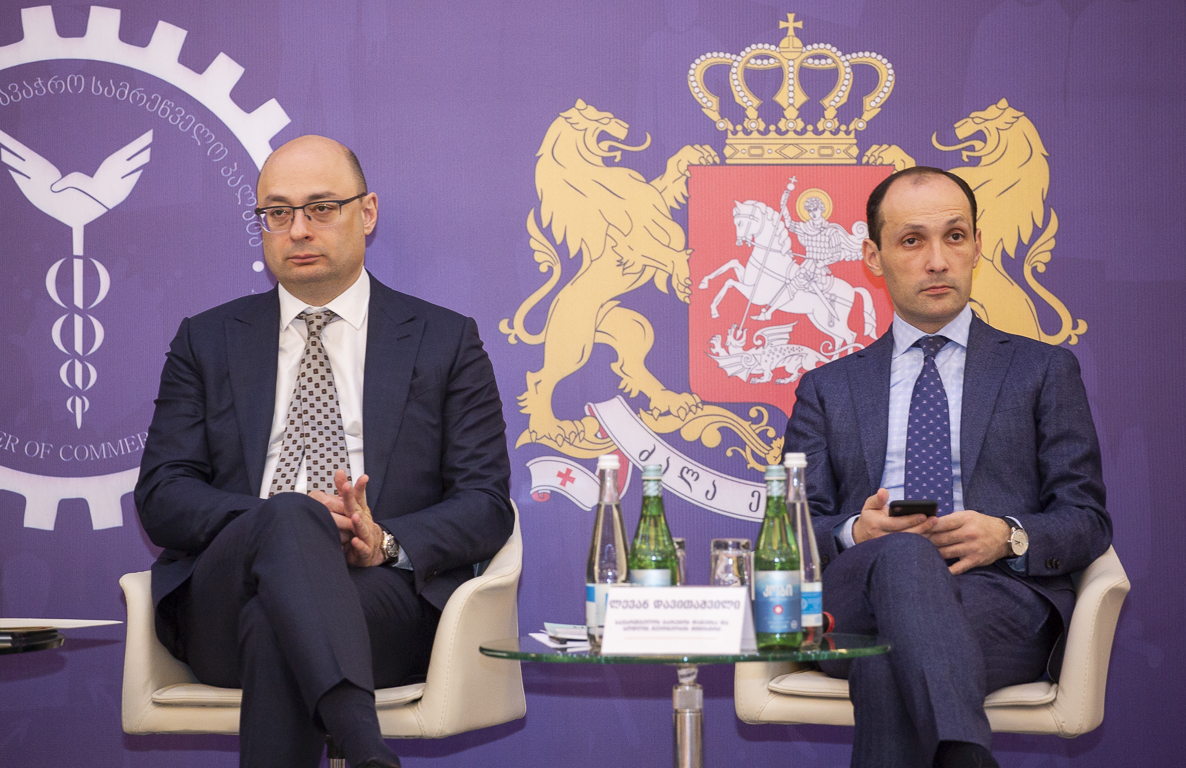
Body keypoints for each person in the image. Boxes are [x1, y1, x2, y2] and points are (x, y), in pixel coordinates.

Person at [135, 135, 514, 768]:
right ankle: (366, 749)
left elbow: (485, 504)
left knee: (275, 626)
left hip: (378, 597)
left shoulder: (444, 340)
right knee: (291, 515)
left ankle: (360, 747)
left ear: (367, 212)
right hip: (222, 599)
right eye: (277, 212)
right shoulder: (207, 340)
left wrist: (382, 540)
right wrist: (290, 521)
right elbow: (162, 496)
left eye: (321, 208)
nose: (298, 229)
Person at [783, 166, 1111, 768]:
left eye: (954, 236)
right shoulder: (828, 388)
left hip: (997, 597)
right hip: (859, 594)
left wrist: (1007, 535)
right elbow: (791, 528)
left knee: (884, 667)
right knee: (903, 554)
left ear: (977, 245)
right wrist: (857, 532)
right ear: (873, 257)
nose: (937, 261)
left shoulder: (1042, 371)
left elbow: (1086, 519)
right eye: (912, 241)